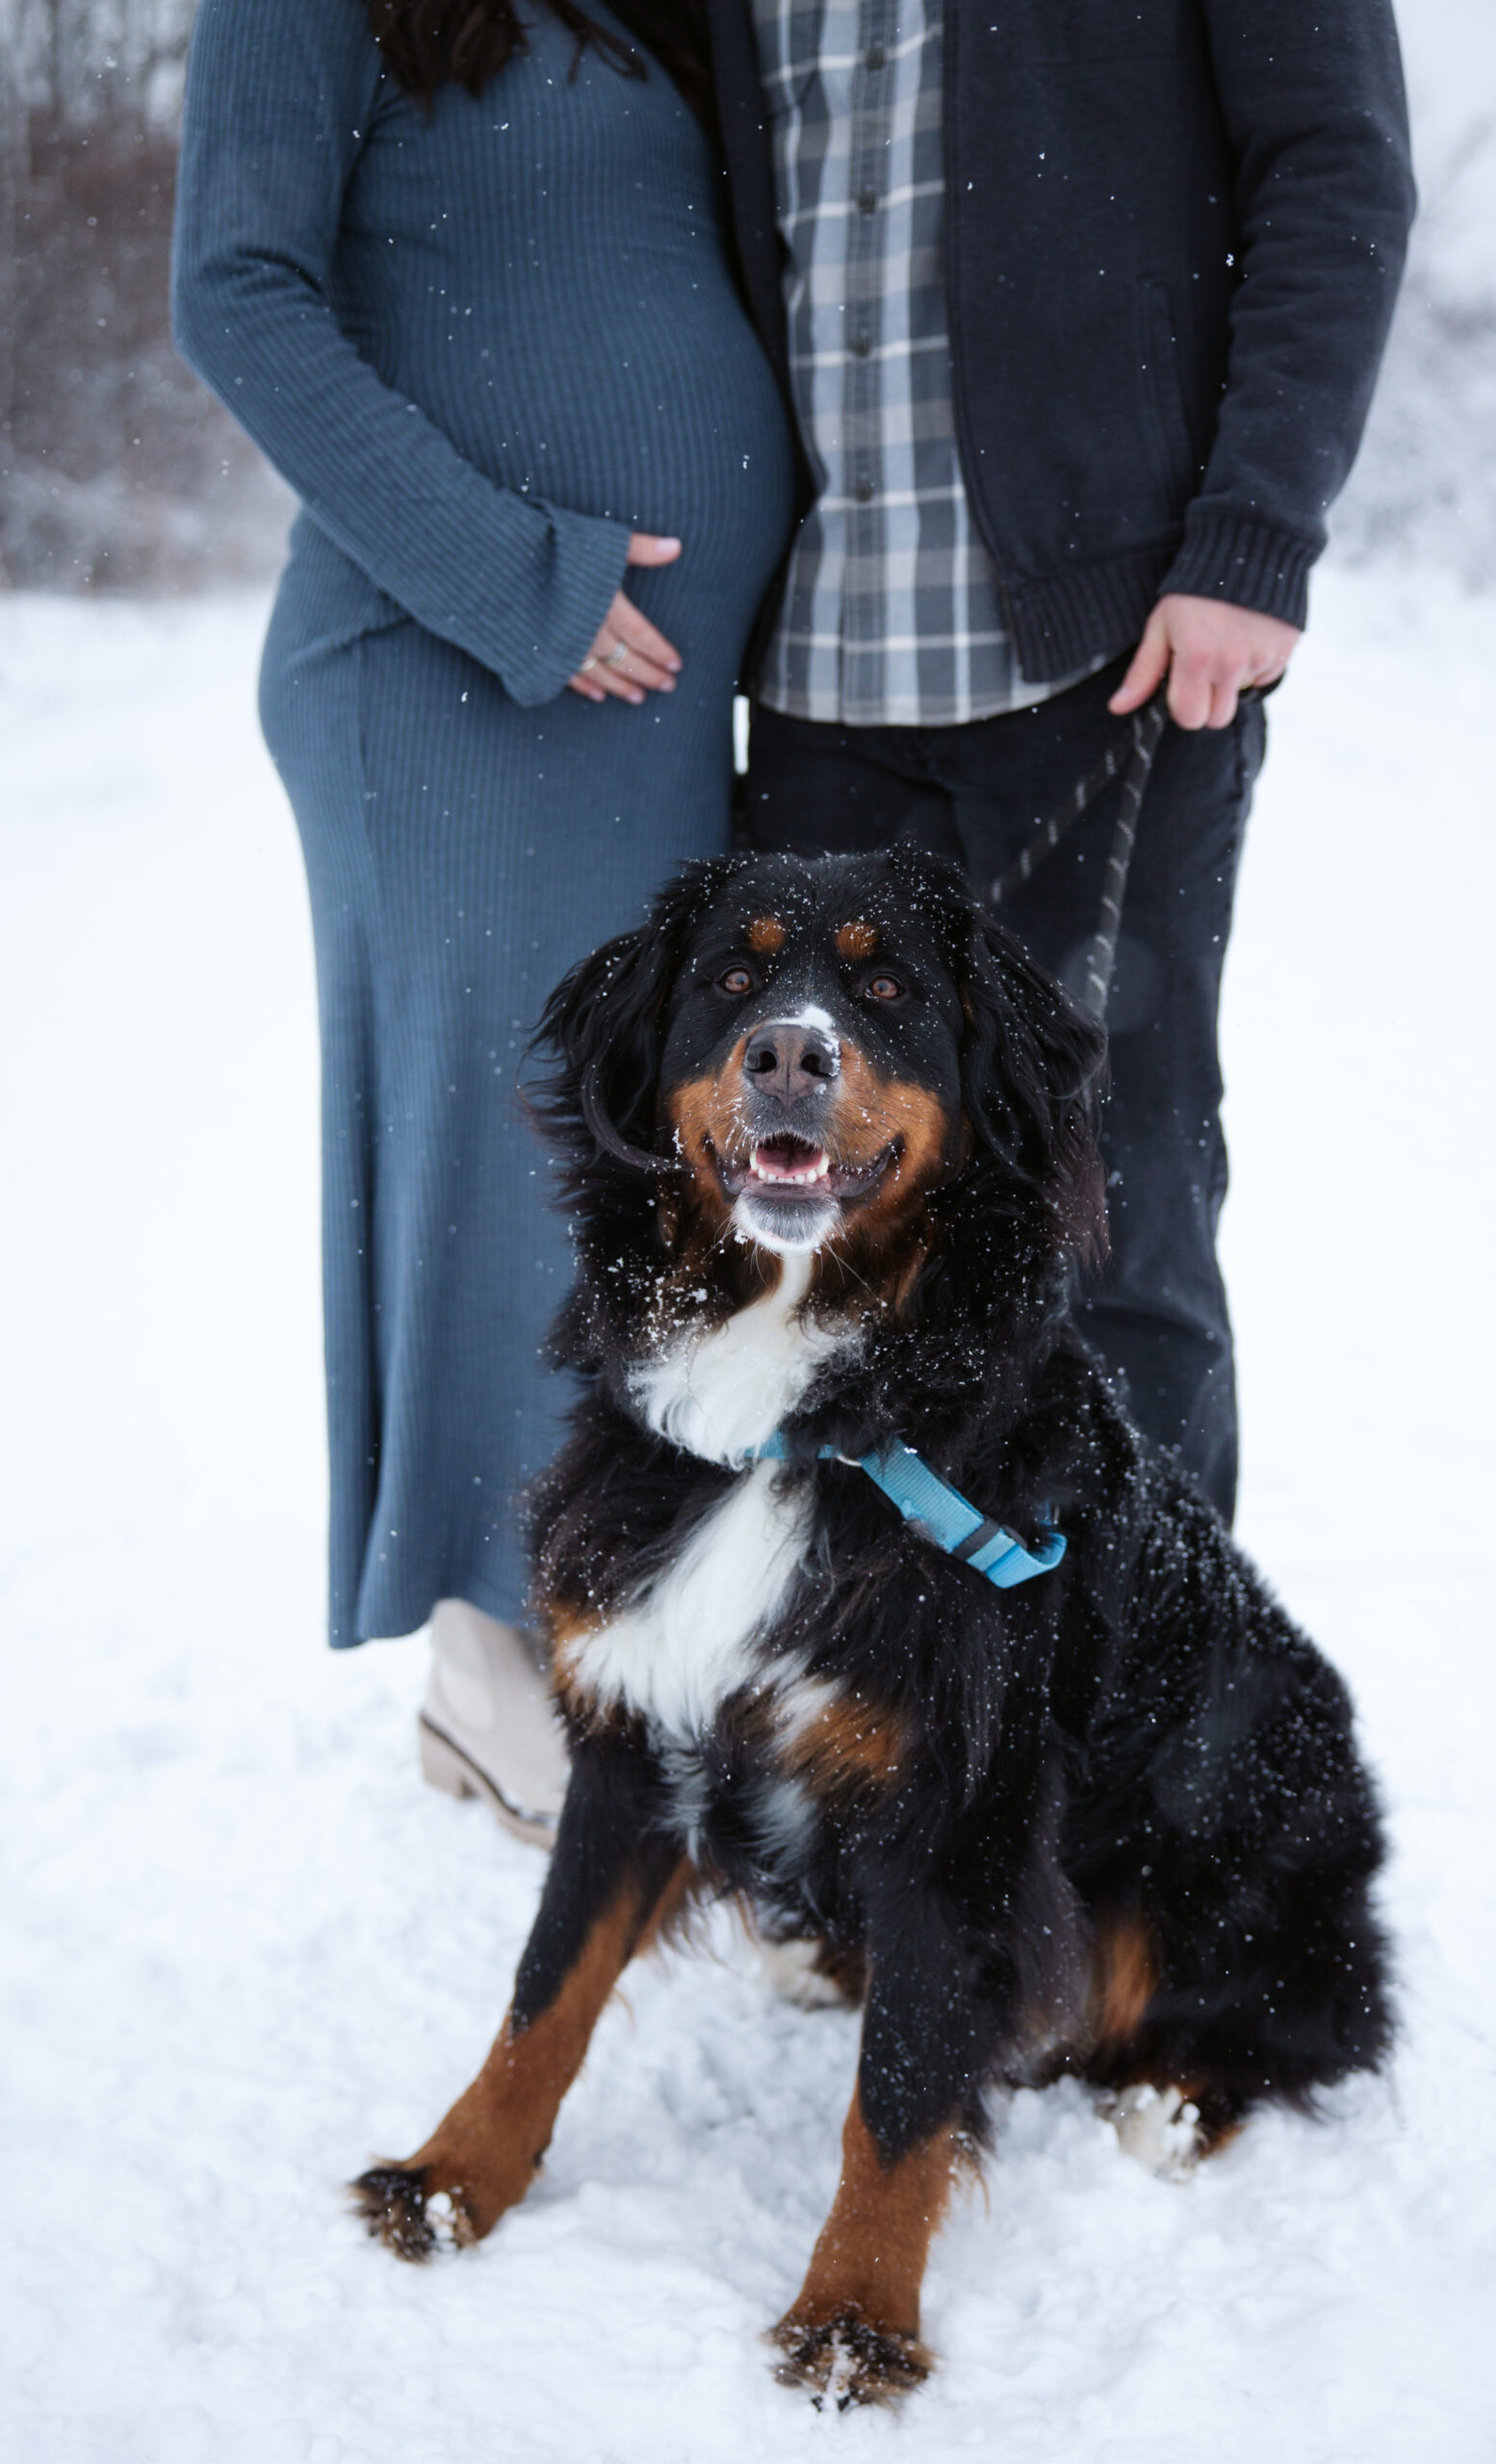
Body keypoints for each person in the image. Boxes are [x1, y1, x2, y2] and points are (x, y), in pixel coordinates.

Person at [172, 0, 795, 1837]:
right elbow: (240, 294)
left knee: (629, 1169)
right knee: (508, 1161)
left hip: (641, 701)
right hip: (454, 665)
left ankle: (615, 1603)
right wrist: (511, 576)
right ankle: (499, 1656)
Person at [709, 0, 1417, 1524]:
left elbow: (1338, 165)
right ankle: (885, 1697)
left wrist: (1256, 536)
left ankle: (1133, 1708)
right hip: (821, 678)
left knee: (1115, 1217)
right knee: (816, 1224)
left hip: (1108, 661)